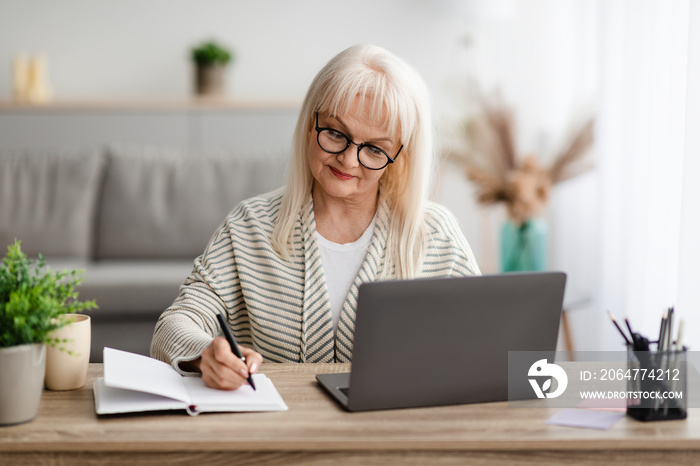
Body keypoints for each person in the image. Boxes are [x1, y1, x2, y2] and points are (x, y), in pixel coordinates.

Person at [150, 44, 480, 390]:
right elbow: (173, 326)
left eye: (374, 148)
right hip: (277, 433)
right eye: (336, 134)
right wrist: (204, 354)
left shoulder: (435, 234)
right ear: (311, 123)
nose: (349, 161)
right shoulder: (249, 226)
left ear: (400, 156)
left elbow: (488, 337)